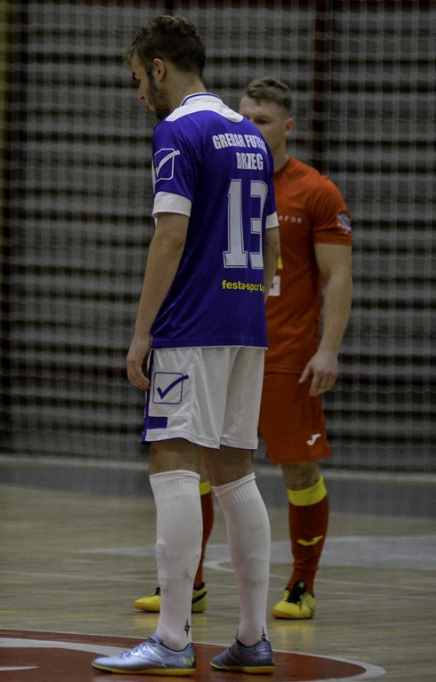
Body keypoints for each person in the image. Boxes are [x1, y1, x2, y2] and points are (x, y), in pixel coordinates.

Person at [91, 16, 279, 675]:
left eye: (138, 77)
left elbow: (170, 236)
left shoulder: (178, 130)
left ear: (160, 68)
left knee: (170, 462)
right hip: (245, 323)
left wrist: (142, 332)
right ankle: (253, 635)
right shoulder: (250, 137)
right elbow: (268, 239)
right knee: (236, 471)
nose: (139, 91)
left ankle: (171, 640)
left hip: (193, 323)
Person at [131, 77, 353, 622]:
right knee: (217, 465)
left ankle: (299, 584)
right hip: (238, 332)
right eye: (247, 115)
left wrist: (328, 348)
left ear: (287, 128)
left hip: (280, 349)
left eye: (263, 120)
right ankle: (201, 592)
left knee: (285, 466)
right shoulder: (231, 164)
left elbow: (338, 276)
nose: (251, 125)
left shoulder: (316, 191)